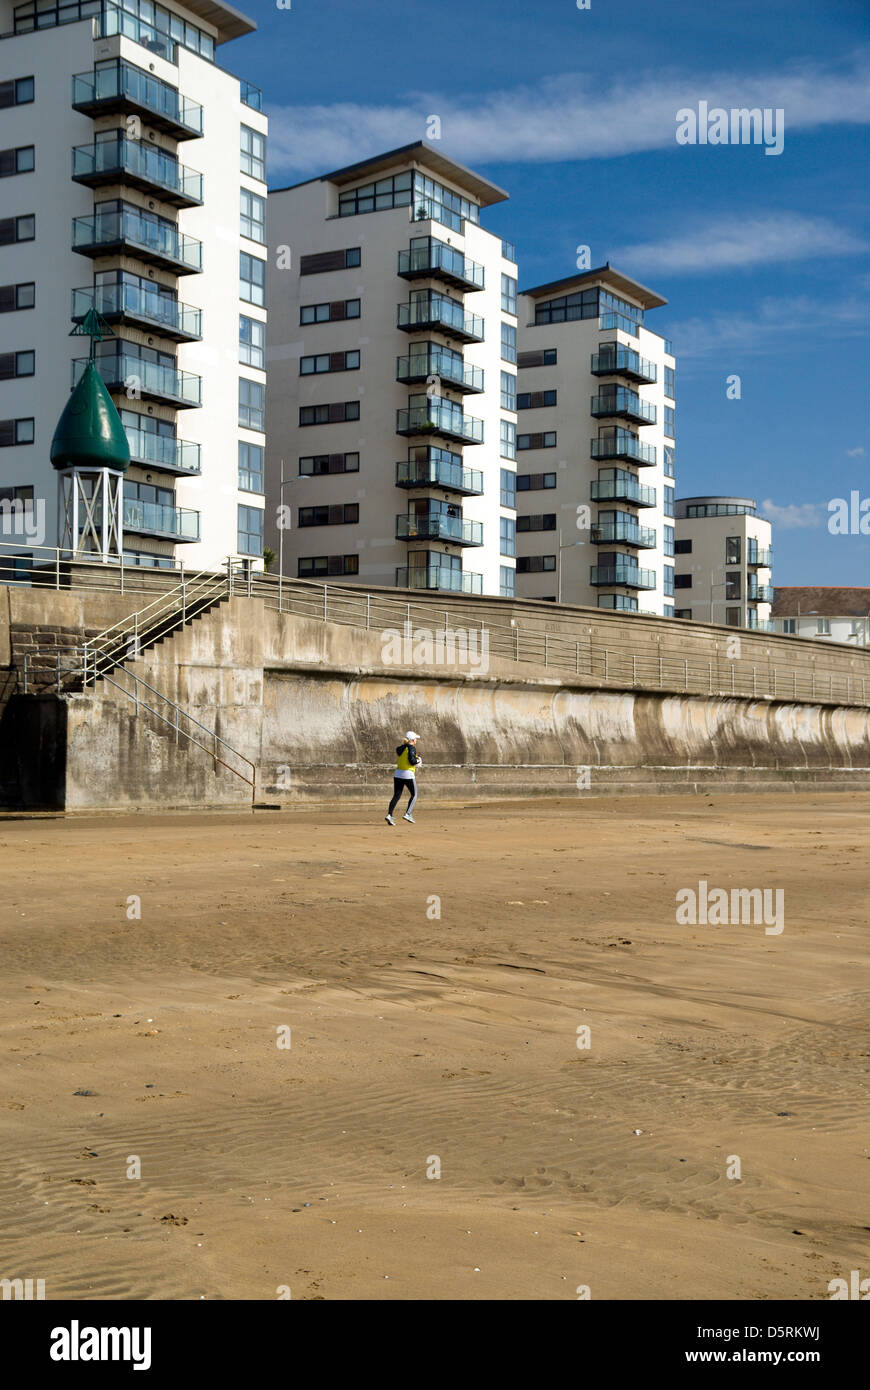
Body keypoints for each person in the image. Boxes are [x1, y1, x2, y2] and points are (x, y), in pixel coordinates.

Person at [385, 731, 421, 825]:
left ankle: (389, 815)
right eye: (415, 739)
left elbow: (405, 757)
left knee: (396, 795)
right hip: (408, 774)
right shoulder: (412, 748)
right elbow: (412, 761)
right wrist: (418, 760)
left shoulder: (401, 748)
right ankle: (408, 813)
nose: (416, 740)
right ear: (412, 740)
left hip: (398, 774)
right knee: (414, 794)